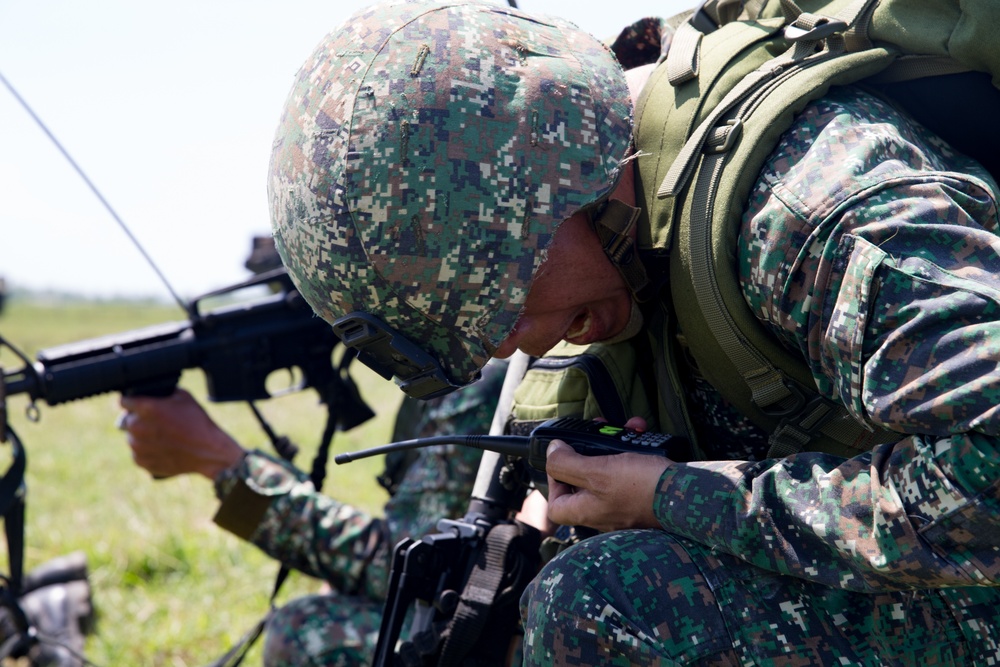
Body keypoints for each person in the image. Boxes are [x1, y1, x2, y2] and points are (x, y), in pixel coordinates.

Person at [264, 0, 1000, 665]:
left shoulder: (801, 207)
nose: (519, 343)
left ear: (550, 187)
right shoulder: (632, 227)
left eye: (502, 303)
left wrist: (678, 496)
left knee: (603, 602)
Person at [118, 358, 508, 666]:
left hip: (511, 632)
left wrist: (226, 465)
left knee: (304, 632)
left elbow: (405, 567)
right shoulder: (460, 365)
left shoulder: (482, 377)